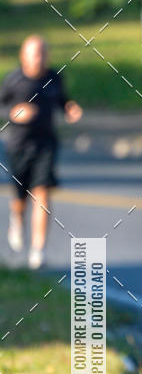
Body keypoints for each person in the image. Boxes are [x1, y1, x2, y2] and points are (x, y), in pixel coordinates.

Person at [0, 35, 82, 268]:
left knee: (42, 192)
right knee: (20, 198)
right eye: (35, 53)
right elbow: (2, 105)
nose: (40, 58)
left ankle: (39, 248)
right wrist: (14, 112)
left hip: (45, 144)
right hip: (18, 145)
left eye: (43, 53)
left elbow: (62, 101)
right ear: (23, 56)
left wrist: (70, 109)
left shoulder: (54, 78)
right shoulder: (13, 80)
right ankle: (17, 219)